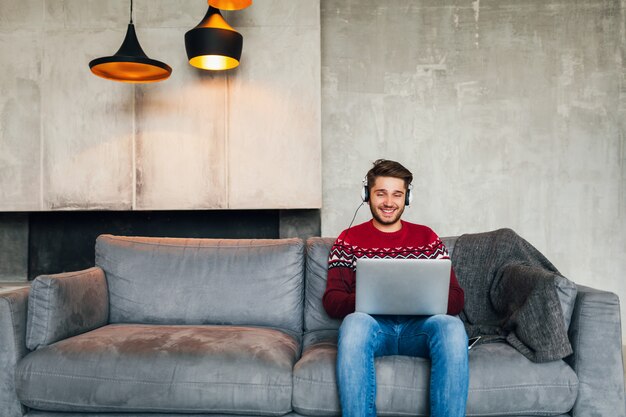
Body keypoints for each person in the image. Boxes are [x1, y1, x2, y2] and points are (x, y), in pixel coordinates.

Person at [323, 159, 469, 417]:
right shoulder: (347, 240)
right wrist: (372, 298)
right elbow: (332, 301)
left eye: (397, 194)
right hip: (373, 329)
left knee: (452, 327)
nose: (389, 202)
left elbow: (457, 298)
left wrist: (423, 298)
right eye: (381, 193)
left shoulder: (427, 239)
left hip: (419, 331)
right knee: (355, 324)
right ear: (367, 195)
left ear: (407, 197)